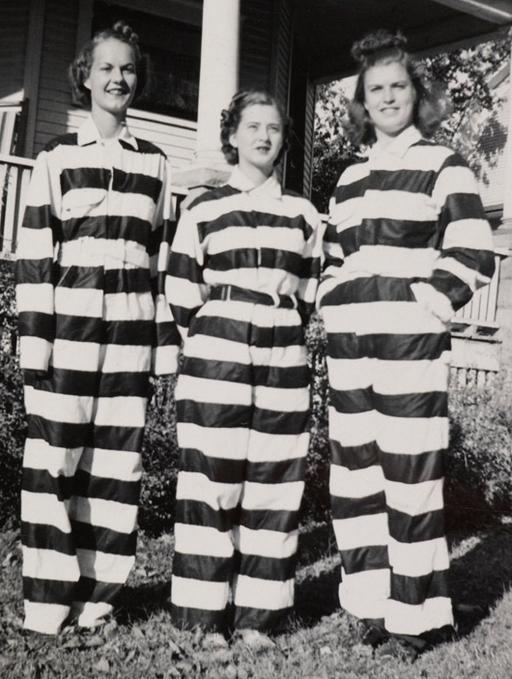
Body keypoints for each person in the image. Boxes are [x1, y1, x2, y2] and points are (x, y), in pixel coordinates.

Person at [317, 30, 495, 659]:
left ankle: (413, 619)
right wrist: (332, 300)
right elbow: (335, 260)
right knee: (356, 476)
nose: (387, 97)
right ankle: (368, 606)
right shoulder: (349, 177)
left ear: (417, 94)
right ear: (361, 103)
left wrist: (428, 305)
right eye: (375, 89)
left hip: (409, 350)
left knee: (409, 480)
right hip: (350, 349)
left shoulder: (443, 162)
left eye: (398, 85)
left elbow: (473, 247)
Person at [16, 20, 178, 635]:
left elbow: (163, 265)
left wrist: (163, 350)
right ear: (84, 76)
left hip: (131, 341)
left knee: (115, 471)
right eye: (106, 67)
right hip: (67, 336)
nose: (118, 78)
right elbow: (34, 256)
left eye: (128, 69)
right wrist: (36, 343)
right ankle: (47, 605)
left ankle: (98, 602)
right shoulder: (56, 157)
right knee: (53, 465)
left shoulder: (156, 165)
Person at [166, 90, 323, 648]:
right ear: (231, 135)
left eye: (274, 128)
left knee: (273, 485)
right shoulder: (202, 209)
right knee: (212, 479)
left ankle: (259, 618)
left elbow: (307, 294)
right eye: (252, 126)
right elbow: (183, 292)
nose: (263, 136)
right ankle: (204, 618)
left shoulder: (303, 214)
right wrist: (220, 334)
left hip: (283, 356)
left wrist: (272, 327)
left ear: (283, 139)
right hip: (218, 355)